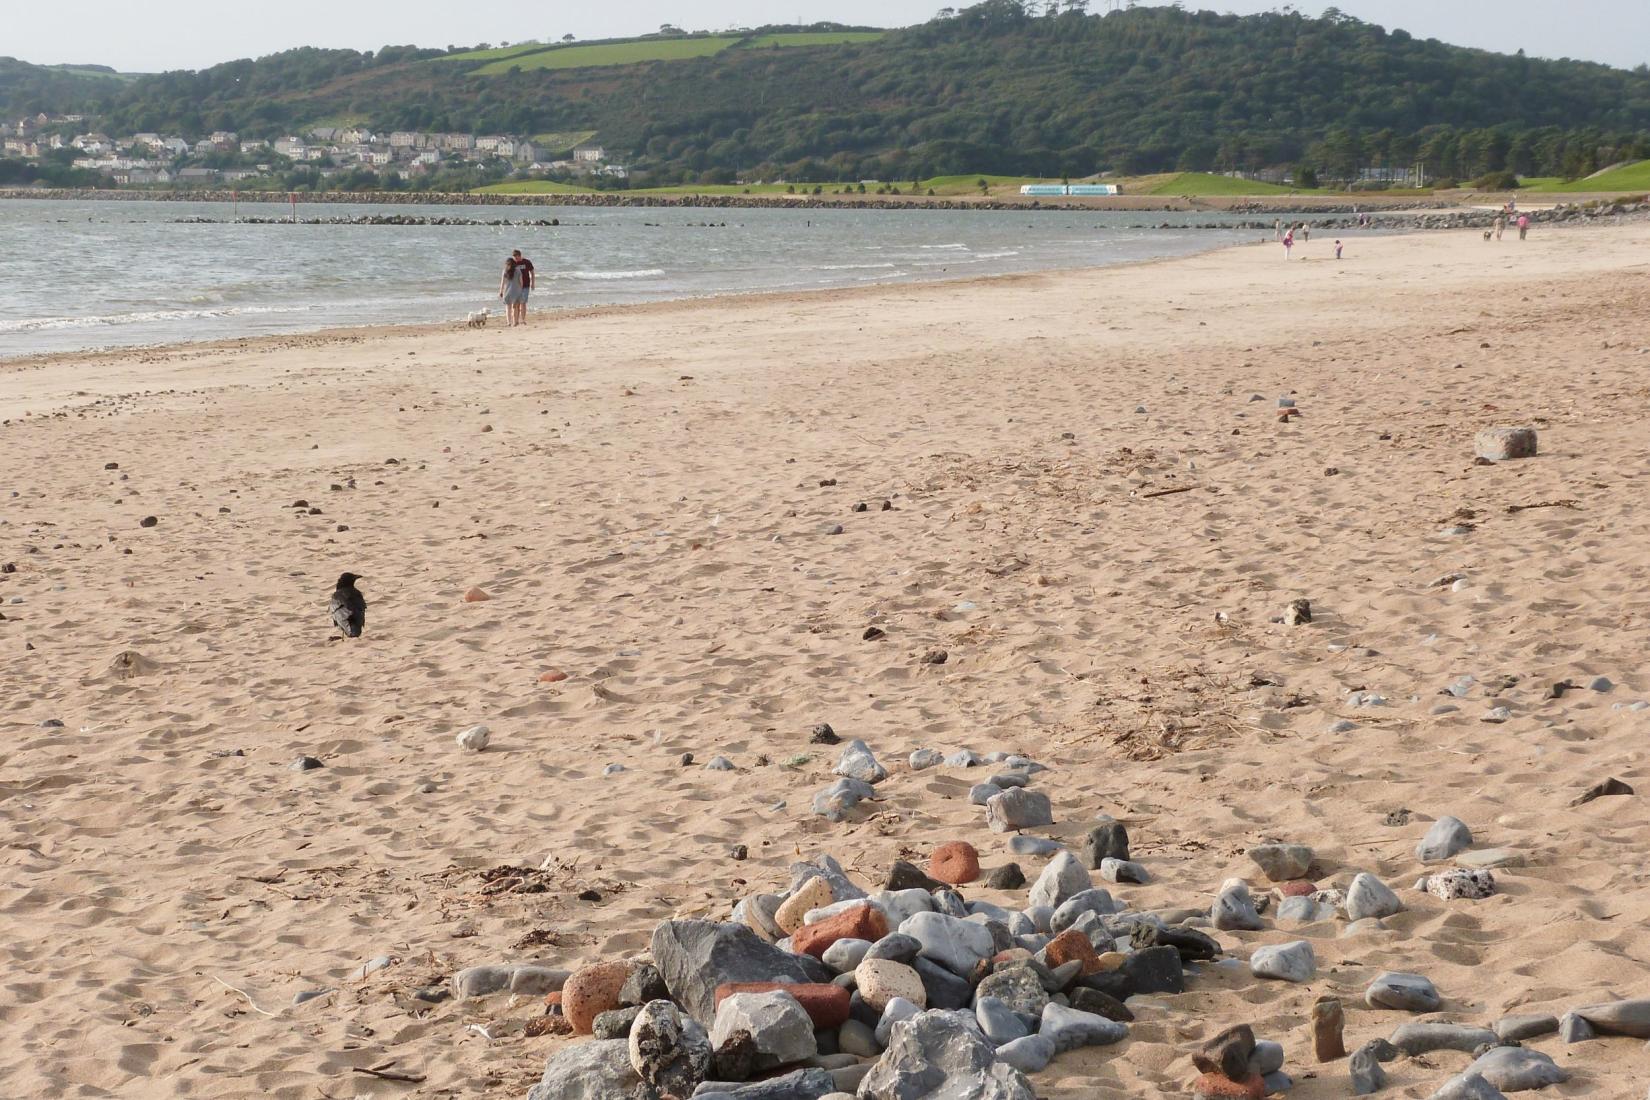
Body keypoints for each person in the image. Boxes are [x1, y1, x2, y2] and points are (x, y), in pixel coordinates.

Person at [510, 249, 536, 326]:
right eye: (514, 257)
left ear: (519, 255)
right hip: (515, 287)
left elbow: (532, 272)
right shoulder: (513, 263)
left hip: (525, 286)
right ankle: (516, 321)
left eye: (516, 257)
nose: (515, 259)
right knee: (516, 304)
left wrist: (533, 283)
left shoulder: (527, 262)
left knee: (523, 303)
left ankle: (523, 320)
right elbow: (509, 274)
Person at [499, 254, 525, 326]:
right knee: (515, 308)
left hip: (507, 292)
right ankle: (515, 322)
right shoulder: (518, 270)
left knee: (508, 307)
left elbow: (502, 282)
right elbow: (521, 282)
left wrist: (500, 291)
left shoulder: (505, 271)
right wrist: (521, 289)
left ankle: (509, 322)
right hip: (517, 292)